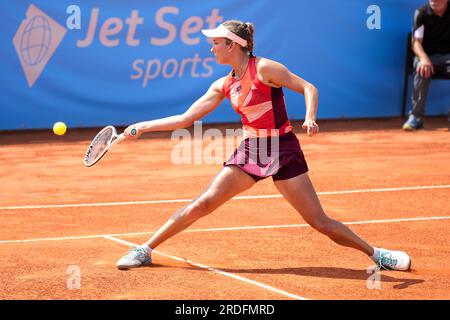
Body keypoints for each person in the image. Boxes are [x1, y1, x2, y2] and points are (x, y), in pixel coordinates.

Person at [116, 20, 411, 271]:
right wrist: (142, 126)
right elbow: (186, 118)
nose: (211, 48)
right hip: (252, 150)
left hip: (284, 149)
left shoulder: (266, 69)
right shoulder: (223, 84)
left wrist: (310, 117)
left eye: (216, 43)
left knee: (320, 222)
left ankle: (376, 254)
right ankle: (145, 249)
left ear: (233, 45)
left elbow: (309, 87)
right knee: (204, 202)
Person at [403, 0, 450, 131]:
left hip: (448, 58)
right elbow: (416, 43)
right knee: (421, 68)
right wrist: (424, 58)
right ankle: (416, 117)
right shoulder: (421, 13)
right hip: (426, 56)